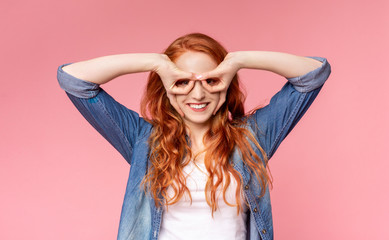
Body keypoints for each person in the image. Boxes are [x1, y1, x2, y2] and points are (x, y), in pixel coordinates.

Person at [57, 33, 331, 240]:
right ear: (166, 86)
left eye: (210, 81)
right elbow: (75, 80)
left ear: (225, 82)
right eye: (182, 82)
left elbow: (313, 74)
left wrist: (238, 60)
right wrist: (156, 63)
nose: (198, 95)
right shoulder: (144, 140)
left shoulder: (250, 138)